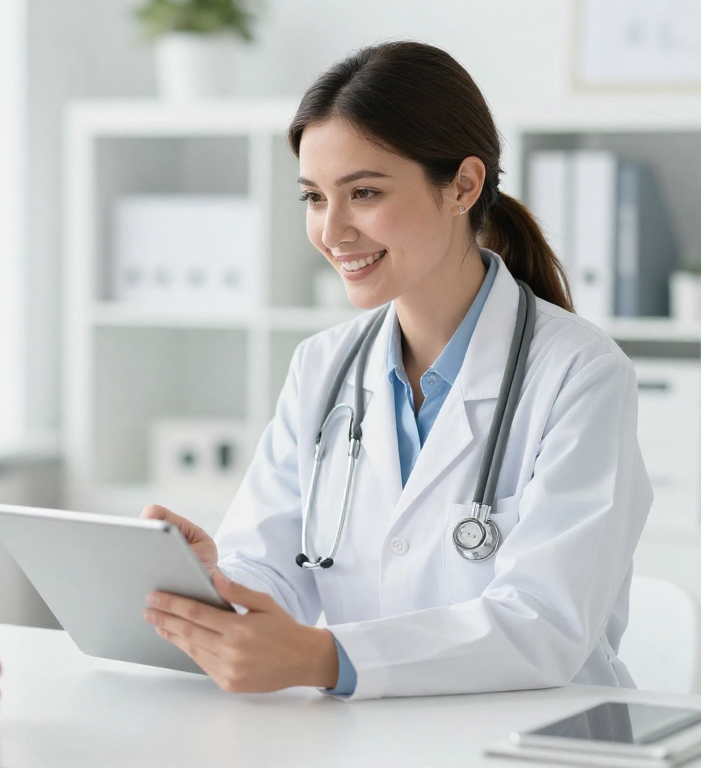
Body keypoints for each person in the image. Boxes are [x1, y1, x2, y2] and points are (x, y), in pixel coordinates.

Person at [142, 41, 653, 699]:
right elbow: (275, 578)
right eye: (314, 198)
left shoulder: (580, 375)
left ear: (464, 186)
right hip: (372, 736)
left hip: (531, 739)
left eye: (364, 192)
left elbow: (544, 624)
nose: (332, 230)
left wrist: (327, 660)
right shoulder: (322, 367)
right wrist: (215, 585)